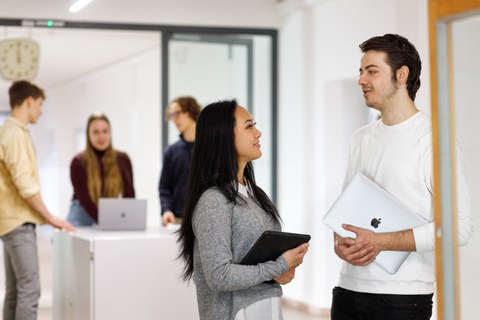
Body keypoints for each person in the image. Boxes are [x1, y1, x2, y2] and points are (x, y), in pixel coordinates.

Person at [331, 34, 473, 320]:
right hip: (347, 289)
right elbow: (344, 209)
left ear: (401, 75)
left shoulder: (435, 140)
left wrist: (381, 241)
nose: (361, 80)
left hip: (402, 298)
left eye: (372, 71)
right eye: (361, 71)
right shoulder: (360, 138)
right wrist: (339, 242)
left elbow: (459, 228)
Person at [178, 99, 309, 320]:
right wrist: (278, 266)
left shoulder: (254, 194)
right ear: (224, 136)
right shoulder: (214, 201)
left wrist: (282, 269)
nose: (258, 133)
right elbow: (219, 275)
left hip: (267, 307)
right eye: (249, 126)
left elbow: (262, 262)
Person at [0, 80, 75, 320]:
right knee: (30, 290)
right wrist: (51, 217)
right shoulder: (15, 134)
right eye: (40, 104)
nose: (41, 111)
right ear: (29, 101)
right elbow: (26, 185)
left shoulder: (8, 131)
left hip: (10, 222)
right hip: (18, 224)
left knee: (15, 292)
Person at [67, 112, 135, 226]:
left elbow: (129, 195)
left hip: (109, 214)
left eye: (105, 131)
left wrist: (127, 219)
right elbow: (85, 199)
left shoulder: (123, 159)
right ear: (88, 135)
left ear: (110, 133)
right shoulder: (78, 162)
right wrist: (105, 222)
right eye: (96, 132)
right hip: (82, 214)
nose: (101, 136)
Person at [159, 96, 201, 226]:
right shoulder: (171, 151)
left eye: (177, 113)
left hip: (205, 218)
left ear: (190, 111)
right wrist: (166, 210)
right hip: (177, 221)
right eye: (171, 115)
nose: (174, 119)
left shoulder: (210, 148)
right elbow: (164, 188)